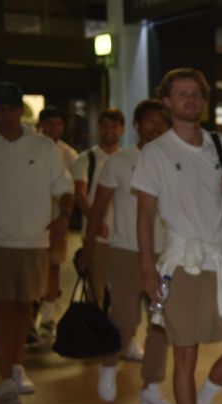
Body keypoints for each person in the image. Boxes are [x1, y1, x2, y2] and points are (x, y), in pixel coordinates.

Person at [132, 68, 222, 404]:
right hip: (182, 262)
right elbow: (144, 215)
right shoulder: (155, 152)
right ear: (166, 102)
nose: (190, 101)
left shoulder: (219, 143)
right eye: (181, 95)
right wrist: (148, 269)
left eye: (196, 94)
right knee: (186, 353)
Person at [77, 99, 172, 404]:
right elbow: (99, 210)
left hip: (166, 255)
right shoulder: (118, 162)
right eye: (150, 121)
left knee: (160, 323)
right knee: (125, 319)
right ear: (136, 125)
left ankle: (151, 386)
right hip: (125, 252)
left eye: (162, 121)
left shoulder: (175, 161)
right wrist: (88, 249)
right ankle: (108, 366)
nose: (156, 127)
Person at [0, 82, 74, 404]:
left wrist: (64, 216)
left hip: (34, 239)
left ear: (20, 110)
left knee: (25, 308)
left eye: (11, 108)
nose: (6, 114)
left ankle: (17, 363)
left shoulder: (42, 146)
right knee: (3, 307)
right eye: (0, 108)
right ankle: (6, 377)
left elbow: (64, 185)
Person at [72, 107, 126, 315]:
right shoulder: (87, 159)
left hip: (123, 237)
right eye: (105, 126)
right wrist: (96, 221)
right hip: (98, 237)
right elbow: (80, 193)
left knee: (122, 289)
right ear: (99, 128)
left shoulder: (127, 159)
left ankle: (120, 337)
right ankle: (98, 334)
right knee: (96, 288)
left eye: (114, 126)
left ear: (122, 129)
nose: (109, 131)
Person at [36, 106, 78, 338]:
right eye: (50, 124)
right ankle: (32, 316)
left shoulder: (68, 154)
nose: (54, 128)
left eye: (58, 124)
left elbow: (74, 187)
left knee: (53, 267)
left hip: (56, 221)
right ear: (41, 125)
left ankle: (48, 315)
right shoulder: (31, 147)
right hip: (33, 221)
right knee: (33, 270)